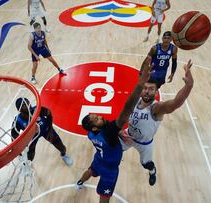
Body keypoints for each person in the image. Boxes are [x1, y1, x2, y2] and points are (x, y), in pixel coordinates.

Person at [75, 57, 153, 203]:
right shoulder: (108, 132)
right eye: (96, 119)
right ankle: (81, 183)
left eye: (96, 114)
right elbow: (127, 109)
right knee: (105, 197)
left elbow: (107, 128)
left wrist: (118, 132)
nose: (100, 116)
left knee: (91, 170)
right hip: (109, 169)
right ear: (94, 126)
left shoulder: (91, 133)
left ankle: (79, 182)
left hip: (99, 159)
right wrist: (140, 84)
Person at [119, 59, 194, 186]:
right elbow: (123, 117)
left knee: (146, 164)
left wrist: (188, 86)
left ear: (156, 92)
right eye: (145, 88)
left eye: (151, 89)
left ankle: (152, 171)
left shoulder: (156, 108)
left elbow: (175, 103)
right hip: (129, 135)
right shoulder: (136, 100)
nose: (147, 91)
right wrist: (120, 131)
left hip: (144, 143)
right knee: (112, 147)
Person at [11, 97, 73, 166]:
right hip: (32, 136)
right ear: (19, 109)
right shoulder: (18, 121)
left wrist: (50, 130)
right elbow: (14, 136)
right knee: (31, 152)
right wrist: (18, 148)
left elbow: (49, 115)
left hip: (46, 130)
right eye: (23, 105)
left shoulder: (37, 109)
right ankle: (29, 163)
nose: (27, 105)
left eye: (27, 102)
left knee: (62, 147)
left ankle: (64, 155)